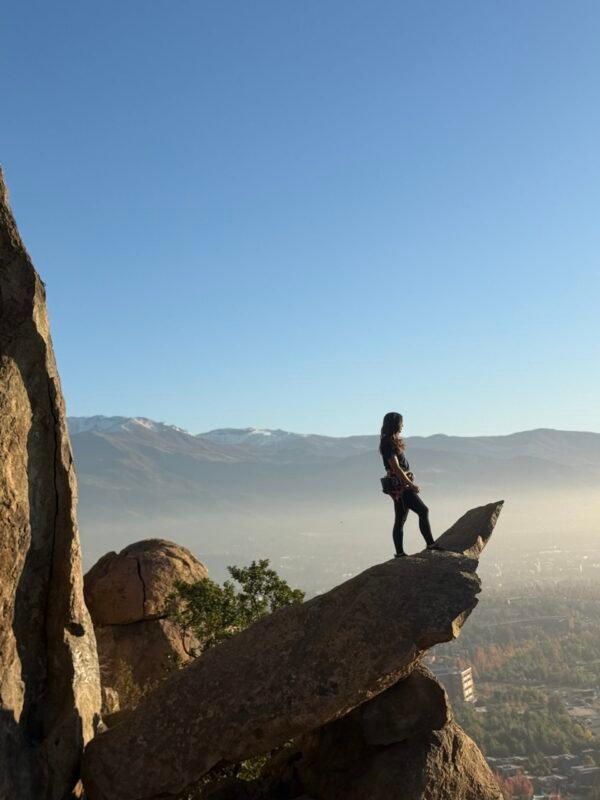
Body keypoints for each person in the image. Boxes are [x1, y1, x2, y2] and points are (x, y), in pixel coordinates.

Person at [379, 411, 441, 557]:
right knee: (422, 511)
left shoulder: (389, 441)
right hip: (401, 487)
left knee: (400, 519)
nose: (403, 425)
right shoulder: (388, 443)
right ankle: (430, 544)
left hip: (398, 486)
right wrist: (410, 485)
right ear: (395, 424)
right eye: (401, 423)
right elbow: (395, 467)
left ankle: (400, 553)